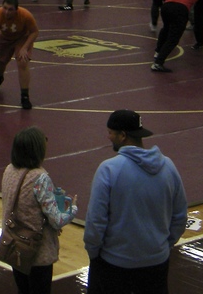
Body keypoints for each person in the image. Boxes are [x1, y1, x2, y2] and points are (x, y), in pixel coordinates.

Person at [84, 109, 187, 294]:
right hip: (156, 265)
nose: (108, 137)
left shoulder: (108, 170)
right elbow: (179, 216)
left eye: (110, 132)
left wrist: (94, 253)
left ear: (123, 135)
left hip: (114, 265)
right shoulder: (169, 167)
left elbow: (95, 222)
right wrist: (162, 246)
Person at [0, 127, 78, 294]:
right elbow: (56, 220)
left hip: (14, 244)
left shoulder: (9, 170)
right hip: (36, 252)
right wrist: (72, 209)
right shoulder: (40, 177)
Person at [0, 0, 38, 110]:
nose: (7, 12)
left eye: (10, 9)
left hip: (22, 38)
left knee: (22, 61)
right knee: (1, 63)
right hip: (4, 38)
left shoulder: (25, 15)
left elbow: (34, 32)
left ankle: (25, 96)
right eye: (5, 8)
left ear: (16, 9)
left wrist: (25, 47)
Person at [152, 0, 203, 72]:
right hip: (180, 9)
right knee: (173, 38)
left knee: (166, 28)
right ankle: (158, 63)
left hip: (167, 6)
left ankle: (157, 51)